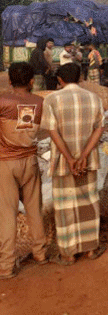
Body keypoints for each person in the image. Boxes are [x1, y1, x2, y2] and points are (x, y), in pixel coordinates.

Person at [41, 63, 106, 265]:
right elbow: (99, 129)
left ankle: (68, 253)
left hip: (63, 162)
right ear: (80, 78)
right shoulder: (94, 98)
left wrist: (69, 158)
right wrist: (83, 155)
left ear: (60, 80)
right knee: (88, 202)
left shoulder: (52, 99)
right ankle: (90, 249)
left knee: (65, 205)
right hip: (88, 161)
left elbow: (52, 132)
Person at [0, 62, 48, 279]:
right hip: (30, 161)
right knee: (34, 211)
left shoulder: (3, 101)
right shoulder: (40, 102)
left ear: (10, 81)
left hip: (5, 164)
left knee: (6, 215)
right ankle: (40, 254)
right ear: (31, 81)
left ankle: (6, 266)